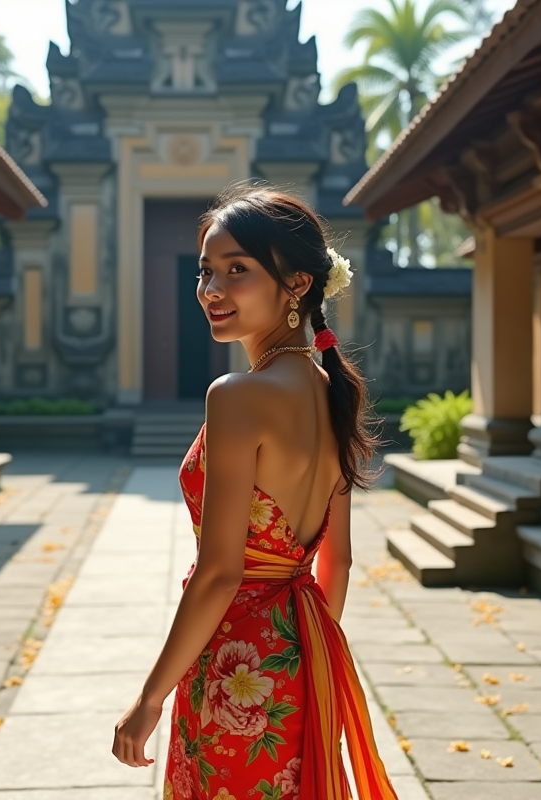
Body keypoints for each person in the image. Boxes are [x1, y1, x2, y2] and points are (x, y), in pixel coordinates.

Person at [111, 184, 399, 799]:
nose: (212, 290)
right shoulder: (334, 392)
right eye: (206, 271)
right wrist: (303, 657)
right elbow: (337, 561)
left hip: (232, 666)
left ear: (296, 284)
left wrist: (149, 698)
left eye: (237, 270)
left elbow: (220, 572)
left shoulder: (236, 396)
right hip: (300, 655)